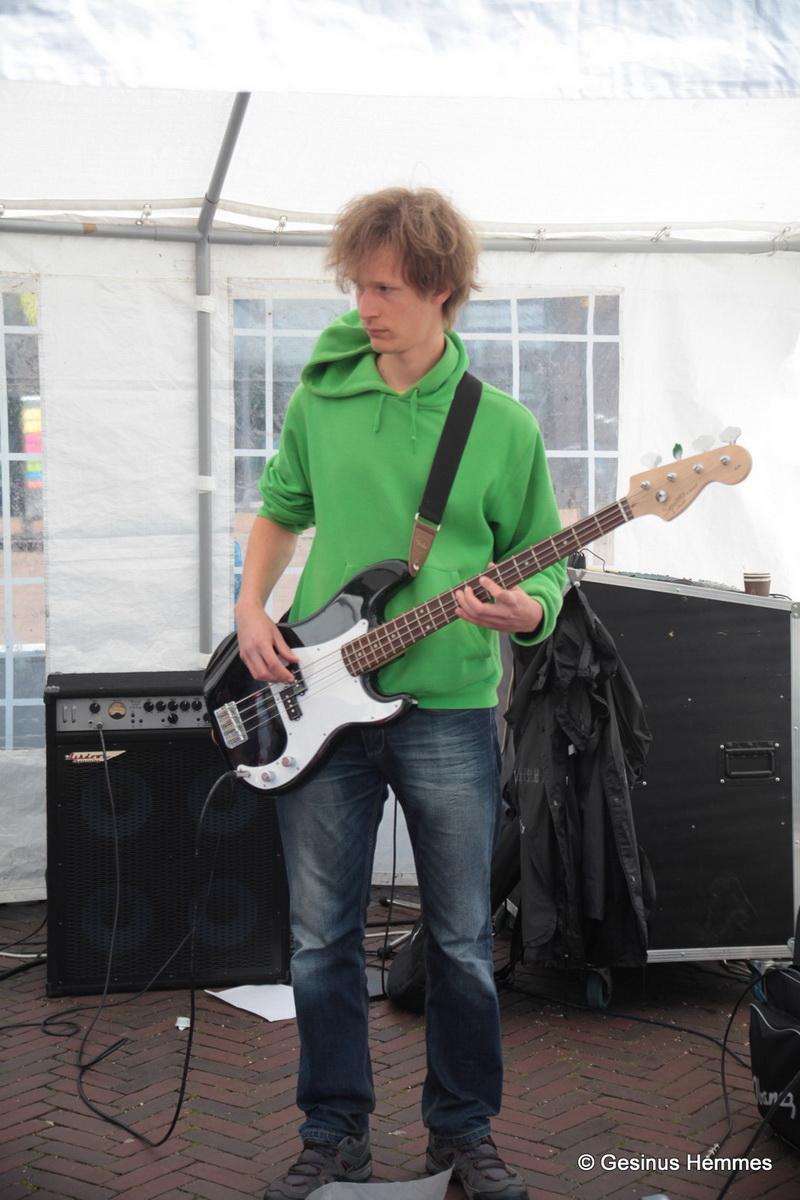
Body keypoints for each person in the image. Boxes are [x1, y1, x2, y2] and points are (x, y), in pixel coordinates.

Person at [235, 187, 566, 1200]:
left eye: (384, 289)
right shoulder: (321, 400)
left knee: (460, 942)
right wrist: (251, 608)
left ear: (442, 291)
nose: (364, 306)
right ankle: (333, 1133)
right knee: (318, 941)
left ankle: (461, 1135)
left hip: (451, 711)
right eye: (358, 286)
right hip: (320, 701)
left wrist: (527, 608)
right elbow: (279, 510)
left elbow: (544, 558)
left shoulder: (500, 426)